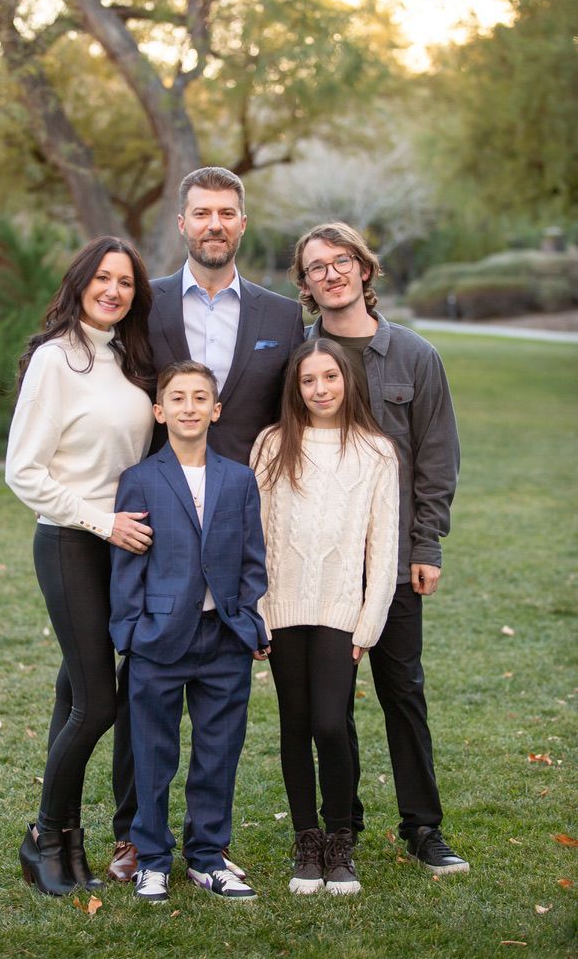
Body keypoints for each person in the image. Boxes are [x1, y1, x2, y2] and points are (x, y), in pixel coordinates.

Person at [108, 165, 304, 882]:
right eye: (201, 213)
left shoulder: (282, 317)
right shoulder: (146, 304)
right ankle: (137, 838)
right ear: (183, 223)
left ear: (241, 224)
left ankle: (207, 847)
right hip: (156, 519)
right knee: (144, 715)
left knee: (219, 730)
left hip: (238, 514)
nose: (214, 224)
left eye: (227, 212)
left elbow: (295, 412)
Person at [291, 221, 469, 875]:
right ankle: (344, 828)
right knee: (328, 708)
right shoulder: (297, 358)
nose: (332, 273)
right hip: (321, 569)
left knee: (403, 693)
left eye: (343, 261)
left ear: (365, 270)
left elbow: (437, 460)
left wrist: (428, 544)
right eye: (317, 266)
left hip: (392, 565)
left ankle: (423, 828)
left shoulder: (416, 357)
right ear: (306, 285)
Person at [5, 236, 156, 896]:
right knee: (99, 703)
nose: (114, 290)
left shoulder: (128, 358)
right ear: (79, 282)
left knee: (74, 694)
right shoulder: (55, 360)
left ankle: (67, 838)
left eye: (125, 281)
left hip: (118, 549)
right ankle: (43, 833)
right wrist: (103, 523)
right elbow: (24, 472)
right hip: (71, 542)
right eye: (102, 278)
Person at [109, 361, 270, 903]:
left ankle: (207, 856)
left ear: (216, 410)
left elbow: (252, 559)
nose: (189, 407)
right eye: (177, 398)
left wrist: (248, 620)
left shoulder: (239, 478)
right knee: (153, 753)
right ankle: (152, 856)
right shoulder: (140, 479)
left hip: (223, 637)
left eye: (201, 398)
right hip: (158, 639)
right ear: (160, 411)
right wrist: (129, 633)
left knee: (218, 750)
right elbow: (127, 565)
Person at [251, 338, 399, 894]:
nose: (320, 389)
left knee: (330, 724)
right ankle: (306, 839)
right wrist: (258, 611)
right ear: (296, 387)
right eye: (309, 380)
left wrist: (370, 620)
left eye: (330, 378)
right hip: (282, 606)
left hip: (342, 608)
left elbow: (382, 547)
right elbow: (256, 535)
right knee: (294, 724)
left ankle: (341, 839)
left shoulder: (376, 451)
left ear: (348, 381)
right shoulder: (271, 446)